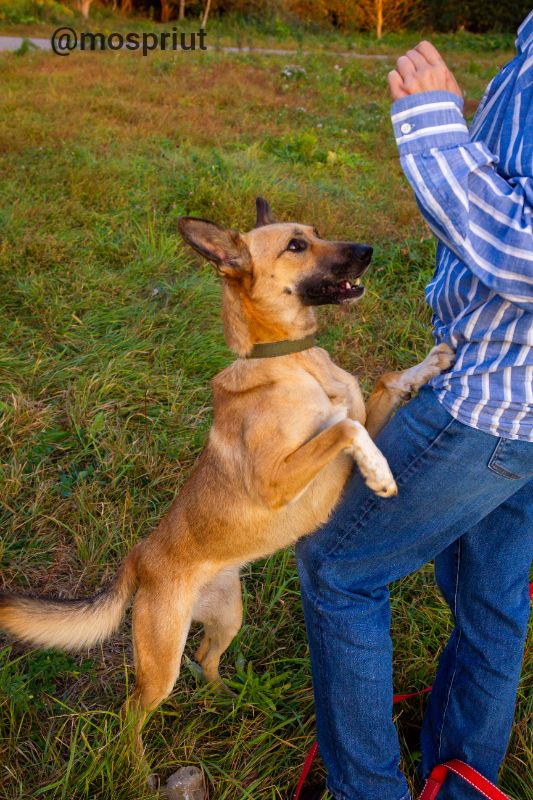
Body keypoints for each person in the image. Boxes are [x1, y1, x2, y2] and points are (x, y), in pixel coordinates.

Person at [296, 11, 533, 800]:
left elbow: (523, 255)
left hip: (492, 404)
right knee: (488, 598)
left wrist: (433, 131)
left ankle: (367, 791)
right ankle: (460, 781)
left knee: (337, 566)